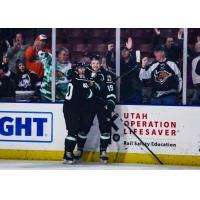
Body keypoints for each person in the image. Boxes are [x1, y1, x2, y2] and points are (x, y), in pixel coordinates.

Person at [75, 55, 116, 164]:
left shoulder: (106, 75)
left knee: (105, 128)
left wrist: (111, 102)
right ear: (90, 64)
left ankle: (103, 151)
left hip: (102, 105)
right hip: (89, 105)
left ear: (101, 64)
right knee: (84, 127)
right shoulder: (85, 72)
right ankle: (79, 150)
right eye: (93, 63)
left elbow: (111, 91)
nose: (95, 65)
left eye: (97, 63)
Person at [63, 62, 94, 164]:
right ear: (76, 70)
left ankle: (66, 154)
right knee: (73, 131)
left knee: (73, 131)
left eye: (83, 68)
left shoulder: (74, 79)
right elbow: (89, 95)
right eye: (80, 68)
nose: (83, 70)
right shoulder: (81, 81)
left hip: (70, 108)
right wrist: (91, 85)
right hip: (72, 109)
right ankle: (68, 153)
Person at [120, 37, 142, 104]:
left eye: (126, 50)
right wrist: (109, 52)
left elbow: (137, 64)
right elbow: (110, 64)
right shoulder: (120, 63)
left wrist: (130, 49)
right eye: (122, 50)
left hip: (135, 91)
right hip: (124, 92)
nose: (124, 52)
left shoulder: (134, 59)